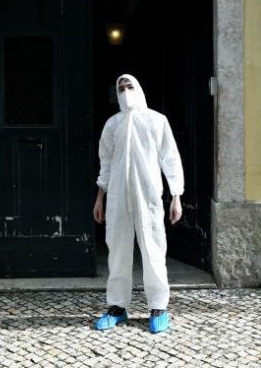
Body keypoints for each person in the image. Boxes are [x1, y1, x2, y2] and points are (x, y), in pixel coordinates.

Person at [92, 74, 184, 334]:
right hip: (118, 198)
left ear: (139, 89)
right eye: (121, 87)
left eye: (130, 86)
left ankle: (158, 308)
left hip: (149, 198)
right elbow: (106, 163)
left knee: (153, 251)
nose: (125, 91)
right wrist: (100, 197)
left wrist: (176, 195)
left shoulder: (157, 121)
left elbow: (170, 158)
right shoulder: (113, 124)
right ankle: (117, 308)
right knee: (118, 253)